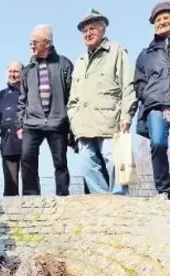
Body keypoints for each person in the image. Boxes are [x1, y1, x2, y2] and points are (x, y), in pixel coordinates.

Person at [67, 10, 136, 196]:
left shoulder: (117, 51)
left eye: (92, 28)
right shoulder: (80, 61)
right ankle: (102, 200)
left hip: (110, 120)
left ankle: (119, 198)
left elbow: (128, 86)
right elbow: (73, 98)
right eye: (84, 31)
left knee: (113, 161)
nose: (88, 33)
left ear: (103, 30)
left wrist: (126, 115)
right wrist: (73, 118)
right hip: (84, 124)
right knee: (86, 165)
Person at [16, 25, 74, 196]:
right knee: (27, 158)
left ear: (47, 43)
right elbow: (22, 99)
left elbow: (72, 94)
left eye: (35, 42)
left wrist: (71, 123)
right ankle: (31, 197)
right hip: (32, 123)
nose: (31, 46)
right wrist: (20, 124)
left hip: (58, 122)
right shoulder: (27, 70)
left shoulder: (64, 64)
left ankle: (63, 196)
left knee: (60, 162)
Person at [134, 2, 170, 199]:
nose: (162, 22)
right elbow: (138, 81)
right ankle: (164, 189)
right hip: (156, 104)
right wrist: (146, 94)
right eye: (158, 20)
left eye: (166, 17)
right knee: (158, 144)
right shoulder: (145, 54)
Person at [0, 61, 25, 195]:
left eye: (16, 72)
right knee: (10, 183)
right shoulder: (0, 96)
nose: (12, 74)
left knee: (30, 180)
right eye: (10, 71)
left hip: (27, 141)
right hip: (7, 142)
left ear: (22, 74)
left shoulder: (28, 94)